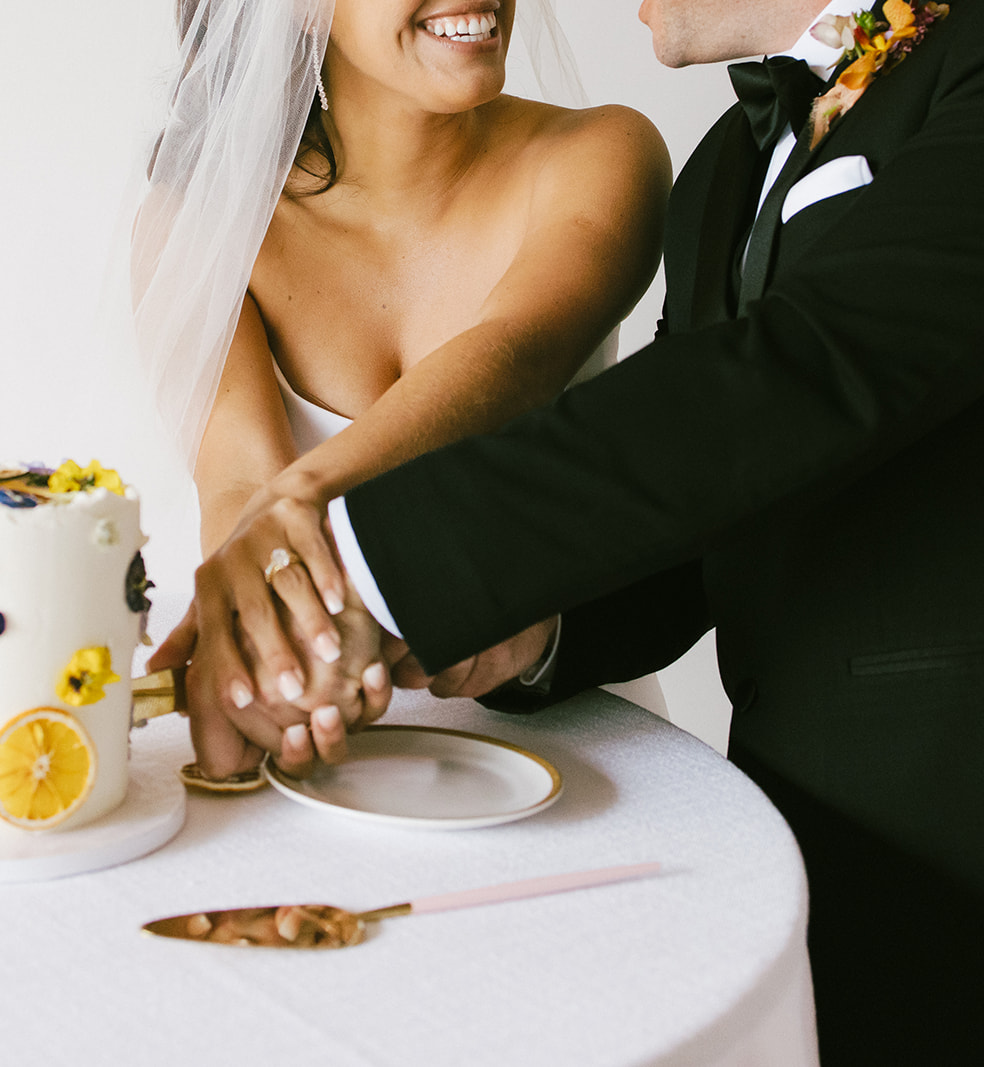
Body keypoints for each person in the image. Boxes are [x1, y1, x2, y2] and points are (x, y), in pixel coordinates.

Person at [161, 0, 984, 1057]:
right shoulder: (729, 162)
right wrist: (530, 633)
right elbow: (708, 509)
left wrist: (380, 568)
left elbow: (811, 365)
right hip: (793, 837)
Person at [133, 0, 671, 775]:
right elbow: (241, 490)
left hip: (583, 742)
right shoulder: (203, 224)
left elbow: (514, 359)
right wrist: (276, 671)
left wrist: (299, 498)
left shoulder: (605, 152)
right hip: (327, 737)